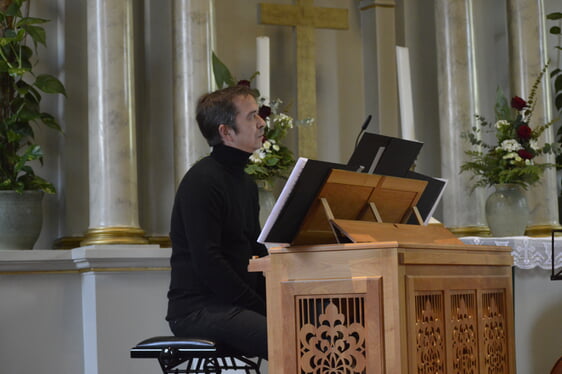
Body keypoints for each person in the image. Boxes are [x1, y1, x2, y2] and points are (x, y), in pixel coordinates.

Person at [166, 85, 269, 360]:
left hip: (232, 304)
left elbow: (256, 251)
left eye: (258, 114)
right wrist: (261, 307)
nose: (261, 123)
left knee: (316, 329)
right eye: (251, 116)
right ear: (226, 132)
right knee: (291, 336)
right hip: (197, 309)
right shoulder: (202, 181)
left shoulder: (245, 183)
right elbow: (208, 262)